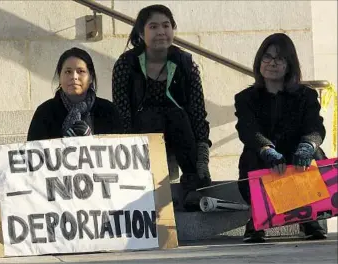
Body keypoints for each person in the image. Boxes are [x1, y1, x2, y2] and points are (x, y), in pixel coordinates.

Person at [112, 5, 211, 211]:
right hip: (143, 134)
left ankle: (193, 185)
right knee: (152, 116)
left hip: (180, 131)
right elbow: (122, 111)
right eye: (153, 26)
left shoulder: (186, 64)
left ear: (173, 29)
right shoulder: (126, 64)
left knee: (178, 115)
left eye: (166, 25)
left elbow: (198, 111)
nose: (161, 32)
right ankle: (149, 188)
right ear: (141, 33)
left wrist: (202, 153)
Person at [234, 33, 327, 243]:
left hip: (296, 163)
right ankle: (257, 219)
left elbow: (315, 126)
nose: (272, 63)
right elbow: (248, 130)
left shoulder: (307, 95)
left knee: (315, 152)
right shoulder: (245, 98)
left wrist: (307, 145)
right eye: (267, 57)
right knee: (252, 152)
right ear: (259, 61)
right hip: (265, 162)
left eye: (280, 58)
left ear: (289, 64)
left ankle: (309, 217)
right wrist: (266, 149)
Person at [28, 47, 121, 141]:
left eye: (81, 71)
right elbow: (33, 152)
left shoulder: (109, 111)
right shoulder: (44, 113)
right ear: (60, 77)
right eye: (68, 72)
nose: (74, 77)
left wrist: (91, 141)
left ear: (91, 77)